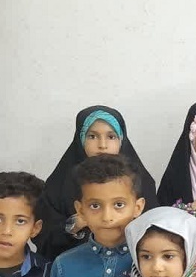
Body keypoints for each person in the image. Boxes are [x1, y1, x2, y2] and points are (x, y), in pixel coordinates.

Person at [34, 105, 158, 260]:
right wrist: (75, 224)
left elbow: (155, 232)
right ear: (80, 139)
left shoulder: (141, 181)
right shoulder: (59, 183)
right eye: (92, 136)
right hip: (76, 265)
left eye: (111, 137)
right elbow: (43, 234)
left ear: (122, 140)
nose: (102, 145)